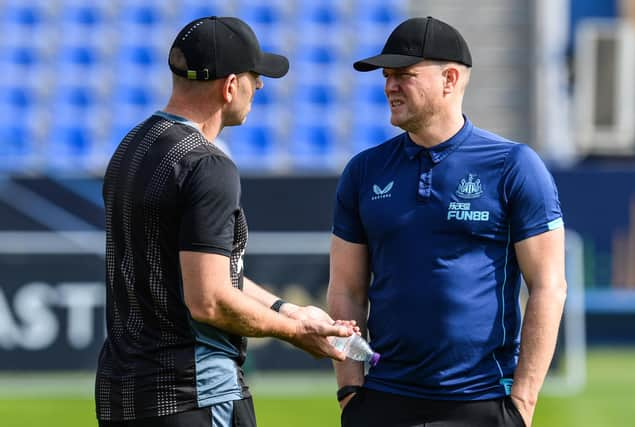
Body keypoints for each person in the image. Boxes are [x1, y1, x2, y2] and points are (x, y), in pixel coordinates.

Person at [95, 16, 355, 427]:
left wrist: (288, 310)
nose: (261, 87)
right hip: (194, 395)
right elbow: (210, 300)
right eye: (255, 77)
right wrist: (293, 334)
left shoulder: (132, 146)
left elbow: (205, 271)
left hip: (123, 397)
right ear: (230, 86)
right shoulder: (207, 164)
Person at [327, 16, 567, 427]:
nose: (389, 86)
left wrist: (522, 402)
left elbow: (549, 285)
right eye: (386, 76)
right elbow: (346, 291)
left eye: (404, 75)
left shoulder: (514, 165)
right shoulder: (364, 171)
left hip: (483, 401)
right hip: (385, 399)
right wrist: (351, 390)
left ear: (450, 79)